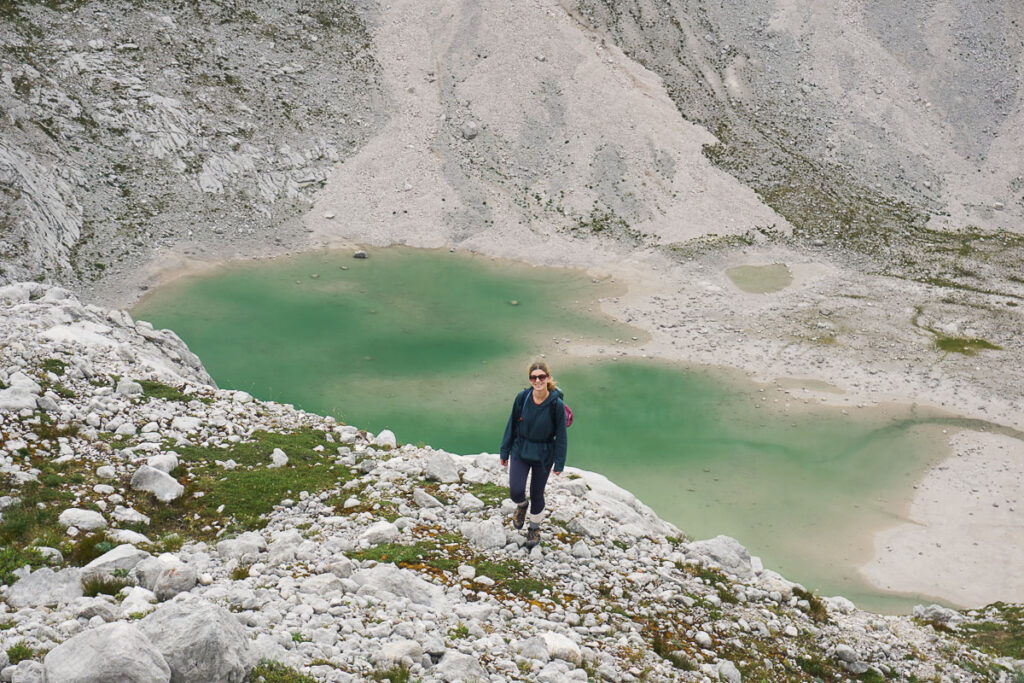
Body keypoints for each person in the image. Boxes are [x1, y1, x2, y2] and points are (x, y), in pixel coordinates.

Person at [500, 360, 568, 549]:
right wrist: (505, 451)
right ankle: (521, 506)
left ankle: (534, 528)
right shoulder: (522, 397)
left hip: (544, 454)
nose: (537, 380)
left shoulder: (556, 404)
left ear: (548, 378)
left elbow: (561, 435)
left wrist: (559, 463)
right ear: (530, 380)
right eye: (533, 377)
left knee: (537, 494)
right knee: (515, 491)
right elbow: (511, 425)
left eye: (541, 377)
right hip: (521, 449)